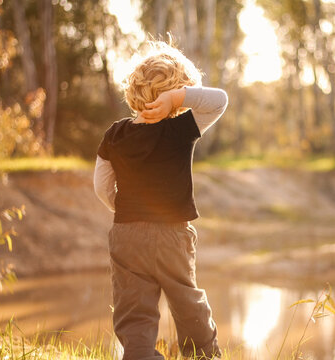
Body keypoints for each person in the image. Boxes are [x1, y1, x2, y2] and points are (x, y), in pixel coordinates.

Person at [93, 40, 227, 360]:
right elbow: (219, 100)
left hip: (126, 234)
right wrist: (177, 99)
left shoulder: (115, 134)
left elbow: (101, 185)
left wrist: (124, 209)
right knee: (187, 303)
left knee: (134, 313)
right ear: (178, 89)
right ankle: (203, 356)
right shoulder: (181, 128)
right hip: (171, 235)